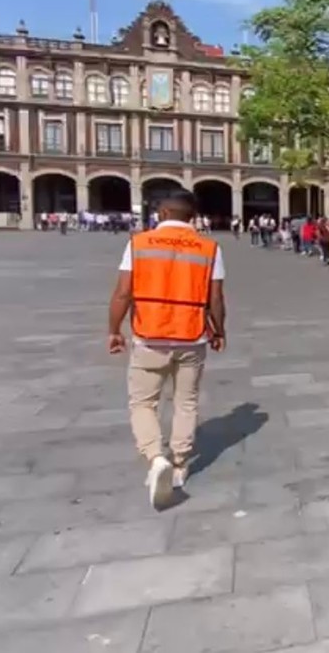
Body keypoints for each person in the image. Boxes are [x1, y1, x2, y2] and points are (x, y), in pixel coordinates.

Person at [107, 190, 226, 510]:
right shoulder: (209, 247)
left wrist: (114, 330)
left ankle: (155, 456)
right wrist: (219, 330)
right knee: (186, 402)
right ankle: (180, 464)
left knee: (143, 402)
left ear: (161, 213)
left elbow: (122, 293)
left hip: (150, 335)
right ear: (192, 215)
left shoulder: (139, 243)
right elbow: (215, 298)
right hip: (192, 335)